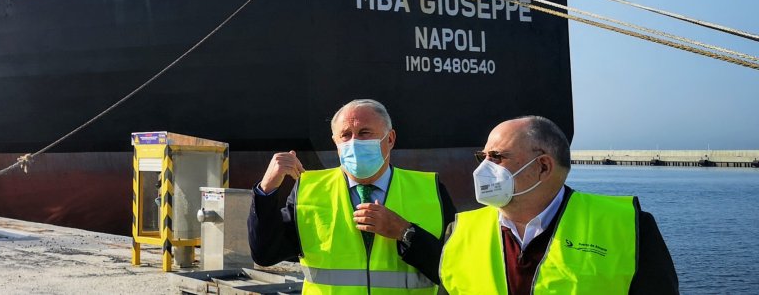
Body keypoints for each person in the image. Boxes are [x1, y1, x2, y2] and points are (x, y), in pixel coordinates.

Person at [439, 116, 678, 294]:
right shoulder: (460, 231)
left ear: (543, 166)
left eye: (497, 157)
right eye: (483, 157)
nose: (483, 169)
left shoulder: (629, 227)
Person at [249, 99, 455, 293]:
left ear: (390, 139)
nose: (354, 142)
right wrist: (266, 189)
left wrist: (406, 232)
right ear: (335, 142)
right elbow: (265, 254)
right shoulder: (309, 188)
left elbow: (456, 268)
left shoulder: (430, 189)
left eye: (364, 133)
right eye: (345, 135)